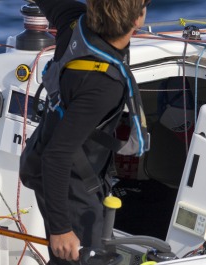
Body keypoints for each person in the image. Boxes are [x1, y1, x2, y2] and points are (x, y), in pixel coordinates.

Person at [21, 0, 150, 264]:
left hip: (47, 155)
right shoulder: (104, 86)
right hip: (70, 184)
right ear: (138, 20)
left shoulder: (73, 20)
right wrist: (61, 229)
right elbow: (57, 157)